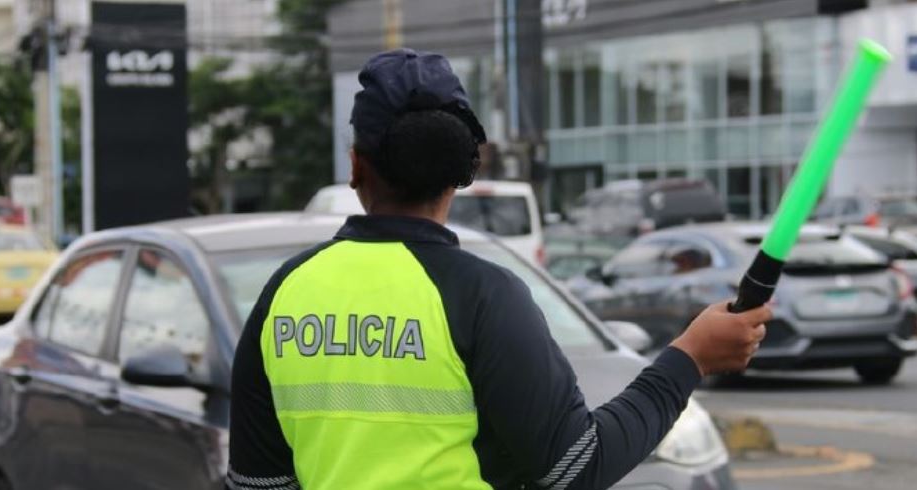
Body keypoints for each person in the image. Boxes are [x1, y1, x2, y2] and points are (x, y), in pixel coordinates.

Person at [227, 48, 770, 490]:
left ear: (355, 165)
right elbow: (573, 469)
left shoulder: (286, 292)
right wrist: (689, 359)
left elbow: (257, 482)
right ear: (463, 172)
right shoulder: (484, 294)